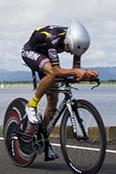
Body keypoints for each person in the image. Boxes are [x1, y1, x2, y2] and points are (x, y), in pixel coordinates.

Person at [21, 19, 99, 160]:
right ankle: (31, 105)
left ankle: (43, 139)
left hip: (45, 56)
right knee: (52, 72)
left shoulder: (76, 43)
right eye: (70, 50)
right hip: (31, 52)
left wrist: (86, 75)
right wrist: (77, 72)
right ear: (67, 41)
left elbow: (75, 71)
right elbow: (56, 71)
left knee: (53, 99)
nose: (70, 54)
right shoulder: (53, 38)